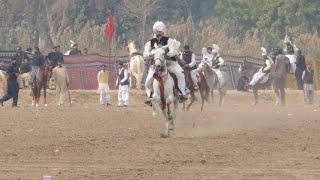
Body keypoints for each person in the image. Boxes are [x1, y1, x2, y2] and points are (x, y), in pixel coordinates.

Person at [143, 21, 187, 105]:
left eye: (160, 31)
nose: (158, 33)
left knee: (180, 74)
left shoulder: (169, 41)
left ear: (163, 32)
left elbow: (173, 51)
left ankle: (181, 94)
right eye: (157, 31)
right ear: (154, 32)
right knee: (147, 82)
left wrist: (165, 54)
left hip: (170, 63)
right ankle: (151, 97)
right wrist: (152, 54)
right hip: (155, 65)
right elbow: (145, 54)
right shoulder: (150, 43)